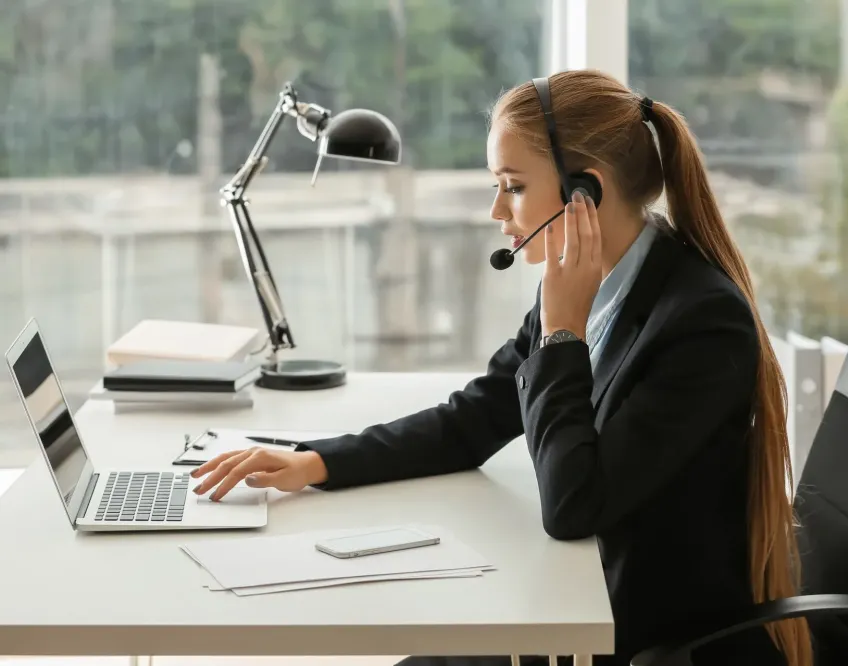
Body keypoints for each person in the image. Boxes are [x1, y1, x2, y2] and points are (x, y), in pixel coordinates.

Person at [191, 69, 813, 666]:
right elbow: (475, 417)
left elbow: (574, 506)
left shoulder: (699, 322)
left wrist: (563, 331)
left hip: (635, 635)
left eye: (512, 186)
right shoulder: (587, 285)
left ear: (585, 192)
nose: (497, 210)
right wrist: (317, 462)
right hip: (578, 600)